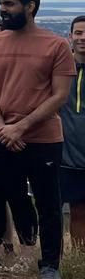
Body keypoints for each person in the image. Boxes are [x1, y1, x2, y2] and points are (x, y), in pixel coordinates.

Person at [0, 0, 74, 279]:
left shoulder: (56, 45)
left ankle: (49, 266)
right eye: (1, 4)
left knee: (48, 202)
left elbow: (58, 96)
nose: (3, 11)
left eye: (9, 4)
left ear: (29, 7)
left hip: (42, 137)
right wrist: (3, 127)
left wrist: (21, 126)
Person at [62, 15, 85, 246]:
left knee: (80, 210)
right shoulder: (60, 69)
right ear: (70, 37)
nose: (82, 38)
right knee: (53, 209)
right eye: (78, 33)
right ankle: (53, 261)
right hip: (62, 152)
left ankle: (79, 264)